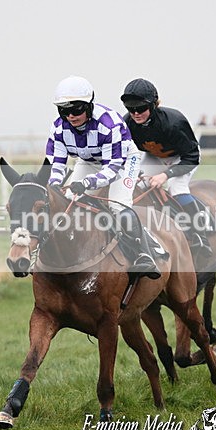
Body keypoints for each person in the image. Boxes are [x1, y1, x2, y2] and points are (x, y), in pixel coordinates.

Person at [46, 75, 160, 279]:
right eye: (64, 110)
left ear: (89, 105)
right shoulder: (58, 128)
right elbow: (57, 163)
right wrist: (54, 185)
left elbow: (112, 168)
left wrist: (87, 183)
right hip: (88, 161)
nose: (71, 116)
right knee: (69, 200)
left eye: (76, 109)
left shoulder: (109, 123)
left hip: (124, 161)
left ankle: (145, 253)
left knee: (118, 205)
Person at [120, 78, 212, 259]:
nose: (136, 113)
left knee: (176, 188)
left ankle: (200, 235)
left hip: (184, 157)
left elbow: (191, 157)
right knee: (137, 187)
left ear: (154, 105)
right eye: (131, 109)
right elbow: (125, 152)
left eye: (141, 108)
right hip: (155, 156)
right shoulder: (127, 123)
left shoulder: (174, 122)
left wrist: (166, 175)